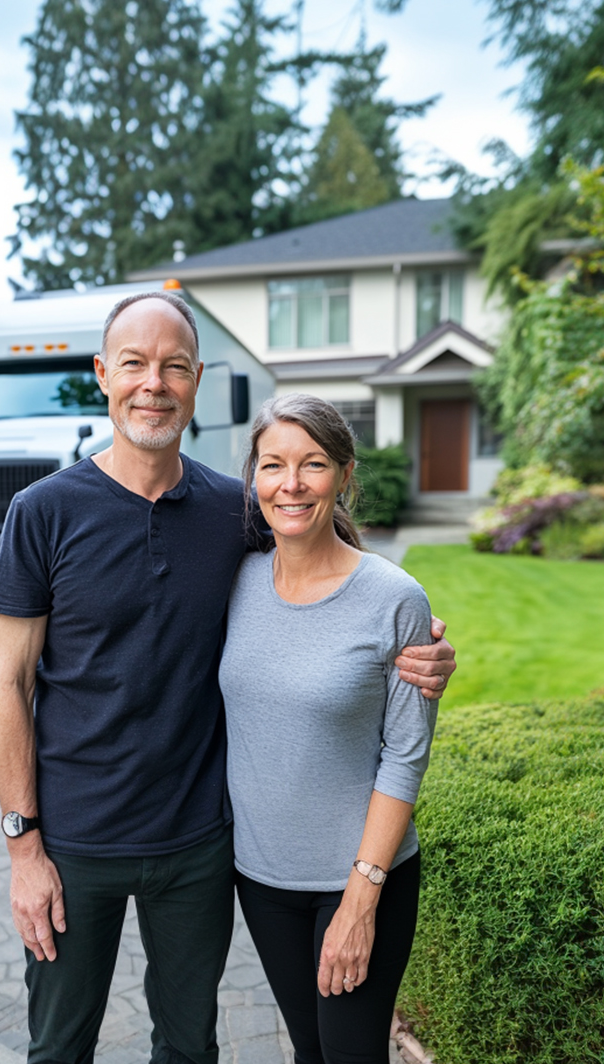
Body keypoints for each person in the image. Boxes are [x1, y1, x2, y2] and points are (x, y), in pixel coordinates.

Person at [0, 292, 457, 1064]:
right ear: (103, 374)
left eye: (173, 366)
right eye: (133, 364)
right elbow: (7, 684)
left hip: (199, 847)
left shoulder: (232, 514)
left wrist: (424, 644)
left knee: (189, 1049)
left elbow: (322, 587)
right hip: (73, 846)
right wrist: (22, 848)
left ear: (197, 381)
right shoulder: (42, 512)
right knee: (59, 1049)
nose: (153, 383)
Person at [220, 393, 438, 1064]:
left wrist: (360, 900)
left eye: (312, 464)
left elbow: (405, 756)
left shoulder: (395, 598)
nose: (291, 484)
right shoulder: (234, 580)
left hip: (363, 878)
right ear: (252, 476)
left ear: (344, 474)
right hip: (261, 880)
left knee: (351, 1055)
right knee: (309, 1052)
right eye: (272, 465)